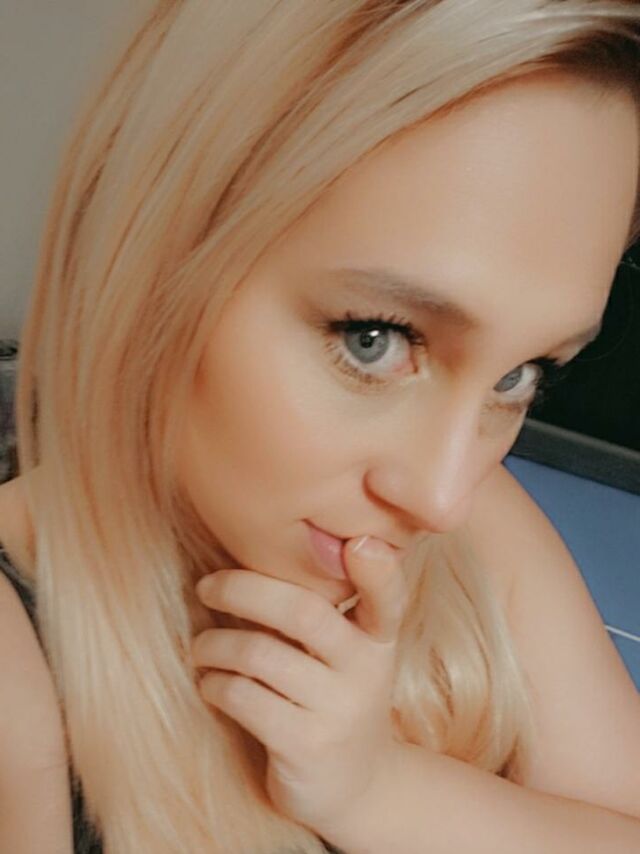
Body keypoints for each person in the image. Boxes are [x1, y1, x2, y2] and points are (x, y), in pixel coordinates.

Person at [0, 1, 639, 852]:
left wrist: (378, 792)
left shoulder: (480, 522)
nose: (443, 497)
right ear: (155, 253)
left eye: (518, 376)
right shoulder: (17, 675)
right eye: (374, 339)